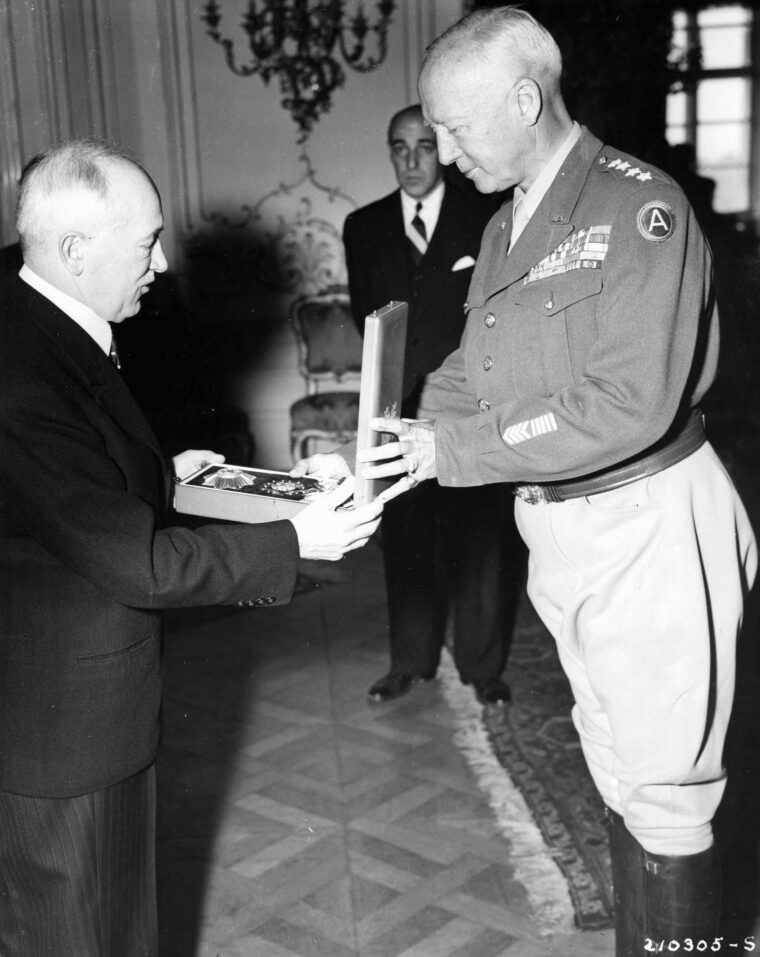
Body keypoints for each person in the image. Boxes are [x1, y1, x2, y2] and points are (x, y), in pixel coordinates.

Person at [299, 8, 758, 954]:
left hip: (646, 516)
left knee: (670, 792)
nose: (446, 149)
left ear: (524, 97)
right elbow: (477, 365)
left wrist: (449, 454)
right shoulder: (511, 222)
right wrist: (401, 438)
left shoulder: (639, 207)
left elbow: (628, 402)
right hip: (566, 523)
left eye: (459, 128)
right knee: (624, 773)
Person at [0, 139, 383, 957]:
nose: (164, 261)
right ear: (75, 252)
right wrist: (295, 538)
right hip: (59, 742)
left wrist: (163, 475)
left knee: (122, 931)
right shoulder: (23, 369)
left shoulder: (44, 324)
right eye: (146, 242)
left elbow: (60, 495)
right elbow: (132, 561)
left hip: (91, 715)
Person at [342, 104, 512, 705]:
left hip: (469, 407)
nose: (411, 160)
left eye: (422, 145)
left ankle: (483, 667)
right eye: (399, 147)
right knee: (408, 537)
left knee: (479, 542)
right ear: (389, 151)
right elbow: (371, 325)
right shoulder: (362, 228)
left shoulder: (488, 216)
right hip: (398, 413)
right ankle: (409, 662)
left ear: (439, 149)